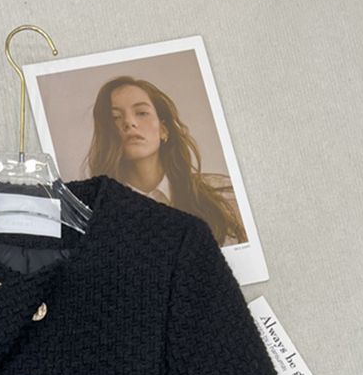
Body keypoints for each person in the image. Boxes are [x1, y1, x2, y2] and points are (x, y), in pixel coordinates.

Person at [86, 76, 246, 247]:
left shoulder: (223, 196)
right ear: (105, 134)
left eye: (141, 113)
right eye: (115, 117)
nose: (129, 122)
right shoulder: (94, 215)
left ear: (163, 130)